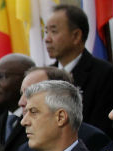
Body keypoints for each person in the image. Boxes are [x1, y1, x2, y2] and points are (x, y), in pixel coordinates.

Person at [44, 5, 113, 138]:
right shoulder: (45, 76)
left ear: (76, 35)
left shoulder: (104, 74)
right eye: (46, 32)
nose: (47, 39)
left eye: (54, 31)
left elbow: (100, 130)